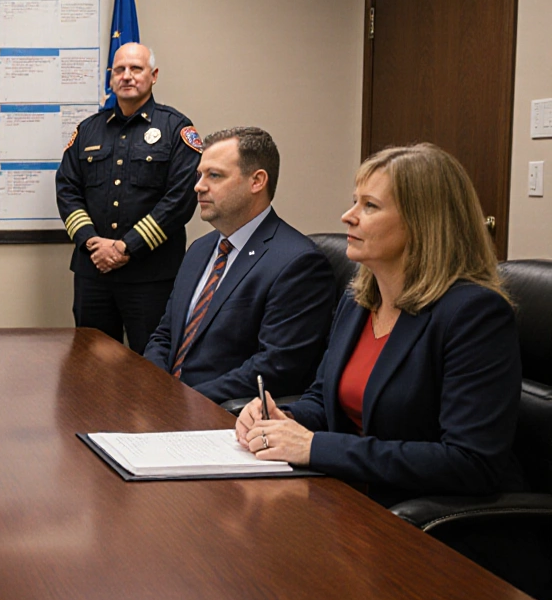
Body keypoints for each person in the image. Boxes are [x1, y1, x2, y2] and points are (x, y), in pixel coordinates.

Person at [235, 144, 524, 505]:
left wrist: (315, 447)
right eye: (355, 201)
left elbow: (470, 462)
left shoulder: (475, 315)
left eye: (369, 206)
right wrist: (282, 417)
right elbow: (324, 402)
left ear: (424, 222)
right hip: (347, 497)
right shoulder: (358, 301)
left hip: (420, 523)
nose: (348, 216)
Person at [144, 127, 336, 402]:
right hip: (165, 405)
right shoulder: (200, 249)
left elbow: (274, 368)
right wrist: (153, 386)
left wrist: (182, 401)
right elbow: (165, 335)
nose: (198, 186)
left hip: (222, 417)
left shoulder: (298, 263)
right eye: (200, 175)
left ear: (257, 181)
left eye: (214, 176)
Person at [56, 42, 201, 352]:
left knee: (151, 365)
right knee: (89, 365)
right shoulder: (88, 131)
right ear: (111, 78)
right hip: (92, 272)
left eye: (136, 69)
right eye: (119, 70)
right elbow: (67, 190)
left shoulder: (177, 129)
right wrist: (92, 242)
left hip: (150, 275)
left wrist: (126, 247)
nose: (127, 76)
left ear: (154, 75)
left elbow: (180, 200)